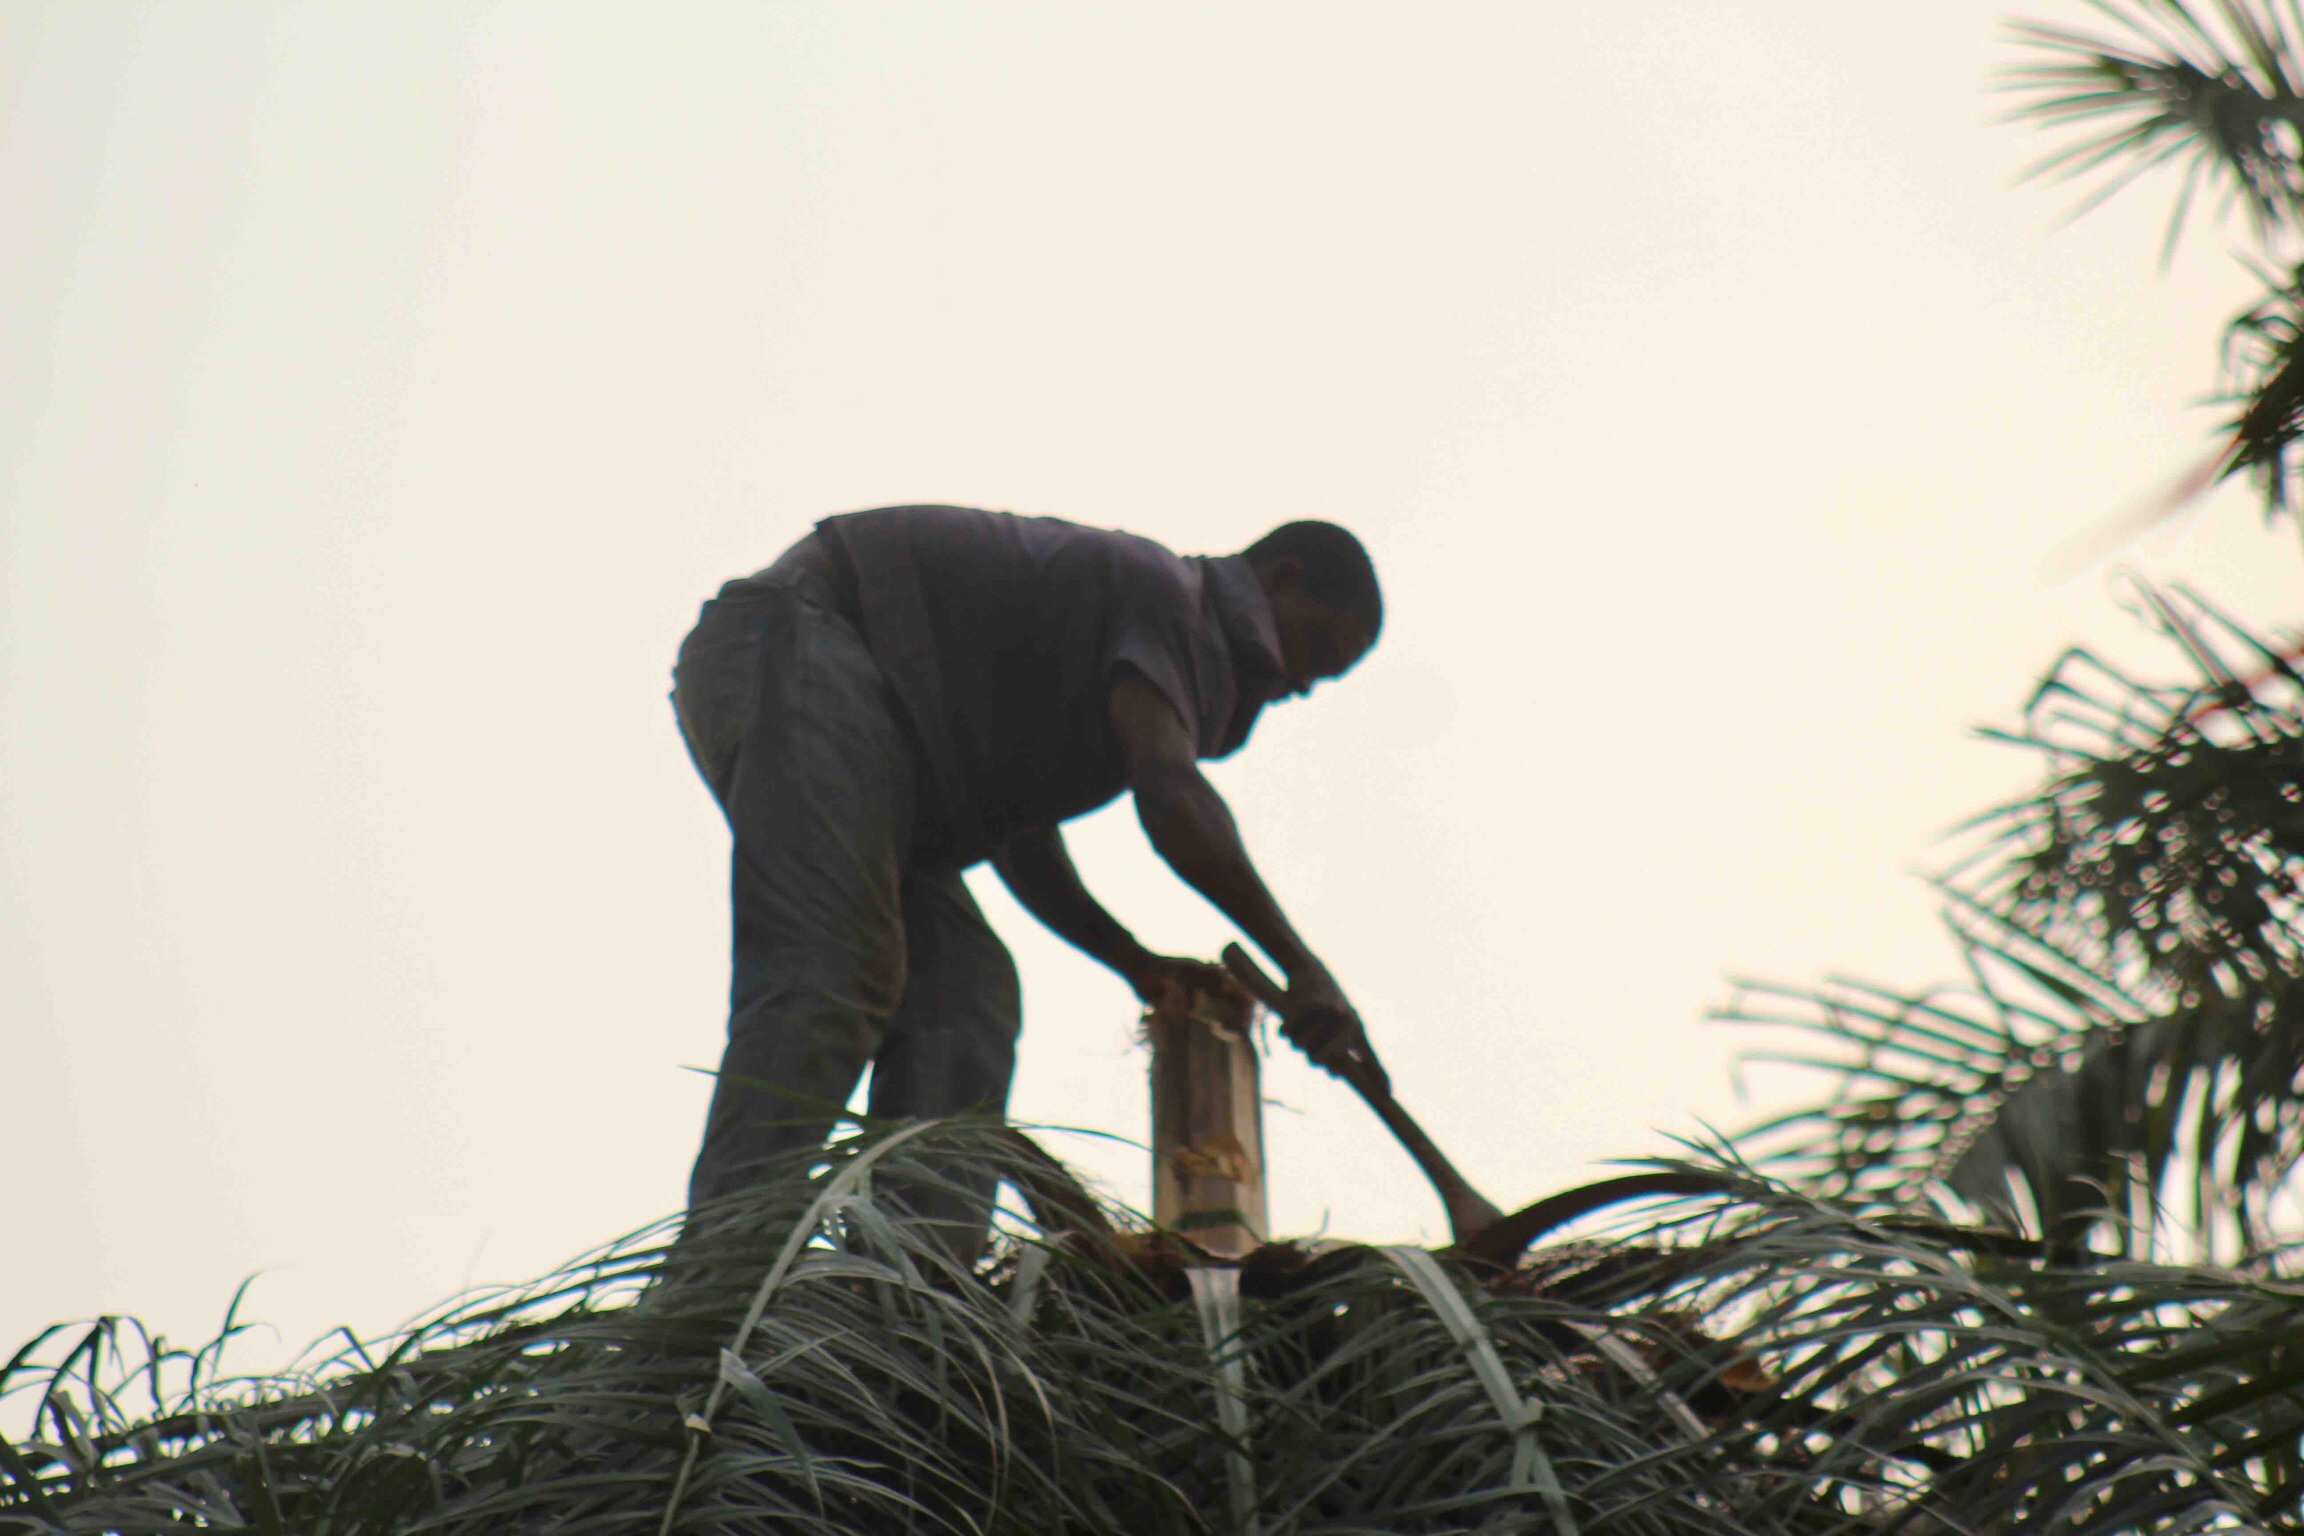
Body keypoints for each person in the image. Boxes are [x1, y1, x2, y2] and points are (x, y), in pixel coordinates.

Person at [670, 504, 1381, 1238]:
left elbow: (1020, 838)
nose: (1297, 683)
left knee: (967, 998)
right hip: (801, 639)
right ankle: (716, 1285)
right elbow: (1172, 797)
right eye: (1313, 650)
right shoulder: (1170, 598)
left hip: (889, 752)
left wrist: (1132, 960)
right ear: (1279, 578)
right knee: (838, 966)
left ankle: (904, 1298)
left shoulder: (1111, 653)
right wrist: (1303, 969)